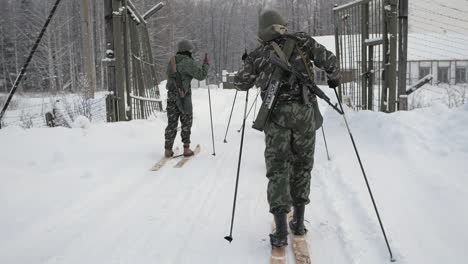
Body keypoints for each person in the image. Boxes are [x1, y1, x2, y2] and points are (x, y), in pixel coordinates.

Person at [234, 10, 341, 248]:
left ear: (263, 31)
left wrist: (246, 63)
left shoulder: (259, 54)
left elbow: (241, 83)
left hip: (276, 117)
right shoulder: (302, 41)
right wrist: (333, 78)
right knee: (303, 165)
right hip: (305, 114)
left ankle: (281, 230)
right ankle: (299, 222)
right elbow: (331, 61)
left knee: (278, 169)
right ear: (282, 26)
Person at [164, 40, 209, 157]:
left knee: (171, 123)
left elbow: (168, 74)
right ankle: (186, 149)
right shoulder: (188, 62)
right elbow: (201, 76)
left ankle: (168, 150)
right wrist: (206, 64)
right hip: (184, 97)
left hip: (171, 96)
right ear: (187, 51)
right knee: (186, 122)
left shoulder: (172, 60)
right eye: (190, 50)